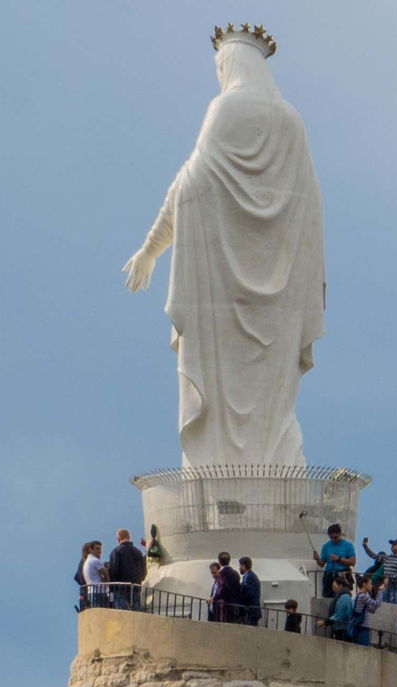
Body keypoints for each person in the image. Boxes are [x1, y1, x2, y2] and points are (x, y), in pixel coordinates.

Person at [121, 22, 326, 469]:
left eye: (220, 65)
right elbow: (310, 204)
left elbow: (191, 184)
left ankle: (226, 470)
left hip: (220, 292)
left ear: (229, 64)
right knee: (270, 391)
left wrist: (151, 248)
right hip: (282, 285)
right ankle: (273, 467)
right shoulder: (292, 121)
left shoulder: (226, 108)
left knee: (222, 382)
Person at [108, 529, 147, 610]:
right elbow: (144, 571)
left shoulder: (116, 551)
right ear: (129, 537)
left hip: (120, 588)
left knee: (123, 614)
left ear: (118, 539)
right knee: (136, 614)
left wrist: (111, 587)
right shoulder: (138, 552)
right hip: (136, 587)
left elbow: (114, 570)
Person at [313, 523, 356, 598]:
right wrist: (317, 559)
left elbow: (353, 562)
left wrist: (339, 559)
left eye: (335, 537)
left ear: (340, 534)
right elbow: (322, 564)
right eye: (331, 538)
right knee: (328, 597)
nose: (333, 540)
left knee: (342, 597)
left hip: (342, 575)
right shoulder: (326, 546)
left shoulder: (348, 545)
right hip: (329, 575)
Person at [350, 576, 386, 647]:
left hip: (360, 626)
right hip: (362, 627)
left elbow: (372, 610)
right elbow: (377, 603)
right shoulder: (364, 596)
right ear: (364, 584)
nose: (372, 586)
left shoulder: (360, 596)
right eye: (370, 583)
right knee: (363, 649)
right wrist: (381, 591)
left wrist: (378, 594)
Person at [317, 576, 353, 640]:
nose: (333, 588)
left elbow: (340, 615)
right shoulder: (339, 597)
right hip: (339, 628)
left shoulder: (345, 597)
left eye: (334, 586)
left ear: (340, 586)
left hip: (343, 630)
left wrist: (325, 622)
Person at [215, 552, 242, 623]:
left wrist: (214, 598)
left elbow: (221, 587)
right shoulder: (236, 573)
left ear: (219, 562)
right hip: (234, 604)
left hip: (224, 605)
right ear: (229, 560)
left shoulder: (221, 573)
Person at [81, 541, 106, 608]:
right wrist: (106, 581)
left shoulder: (87, 561)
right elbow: (105, 574)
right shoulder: (95, 561)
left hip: (91, 592)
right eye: (97, 549)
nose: (100, 551)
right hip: (99, 592)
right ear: (90, 549)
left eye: (100, 549)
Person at [238, 556, 261, 625]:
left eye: (240, 565)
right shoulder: (249, 576)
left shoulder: (250, 577)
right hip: (251, 611)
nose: (239, 568)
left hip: (250, 612)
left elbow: (249, 595)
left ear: (243, 566)